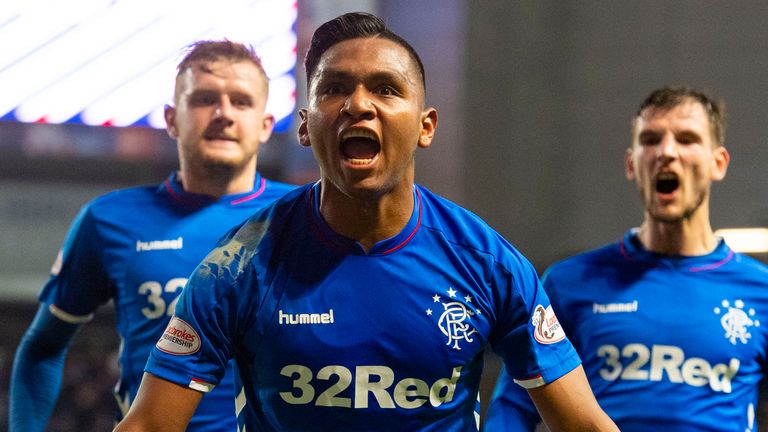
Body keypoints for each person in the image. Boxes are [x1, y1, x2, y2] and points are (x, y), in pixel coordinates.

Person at [113, 12, 618, 432]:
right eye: (334, 89)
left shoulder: (487, 264)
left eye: (385, 89)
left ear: (425, 127)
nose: (358, 105)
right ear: (306, 127)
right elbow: (147, 426)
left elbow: (584, 425)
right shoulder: (237, 265)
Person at [9, 40, 296, 431]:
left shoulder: (301, 215)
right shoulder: (110, 219)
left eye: (242, 102)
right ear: (172, 118)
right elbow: (42, 348)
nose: (223, 114)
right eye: (204, 99)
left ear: (265, 125)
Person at [485, 86, 768, 431]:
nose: (666, 152)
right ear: (632, 164)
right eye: (650, 140)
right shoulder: (571, 282)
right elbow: (514, 405)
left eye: (687, 139)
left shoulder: (760, 290)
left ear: (718, 163)